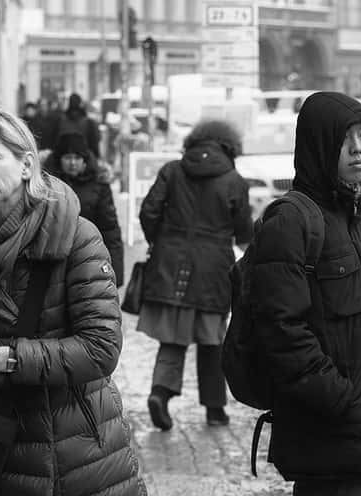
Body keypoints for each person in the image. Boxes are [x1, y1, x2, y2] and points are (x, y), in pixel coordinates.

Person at [0, 110, 145, 495]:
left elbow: (100, 349)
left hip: (70, 445)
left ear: (26, 165)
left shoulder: (77, 238)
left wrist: (0, 358)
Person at [250, 92, 361, 495]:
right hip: (325, 425)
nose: (359, 149)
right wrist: (337, 397)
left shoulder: (351, 215)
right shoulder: (292, 221)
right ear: (320, 146)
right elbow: (280, 327)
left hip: (354, 427)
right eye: (345, 139)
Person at [138, 120, 253, 430]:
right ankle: (215, 410)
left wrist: (160, 242)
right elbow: (244, 232)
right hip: (214, 269)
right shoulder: (234, 181)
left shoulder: (172, 170)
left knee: (173, 339)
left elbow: (149, 211)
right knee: (212, 341)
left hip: (170, 264)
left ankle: (160, 394)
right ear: (230, 148)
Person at [44, 132, 124, 286]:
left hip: (87, 259)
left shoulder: (99, 184)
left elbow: (109, 228)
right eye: (67, 158)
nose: (72, 163)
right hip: (50, 260)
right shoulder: (45, 183)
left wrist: (116, 271)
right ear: (58, 159)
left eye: (77, 158)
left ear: (85, 160)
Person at [58, 93, 101, 158]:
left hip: (64, 158)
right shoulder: (88, 122)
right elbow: (94, 143)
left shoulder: (61, 120)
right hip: (83, 157)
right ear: (80, 103)